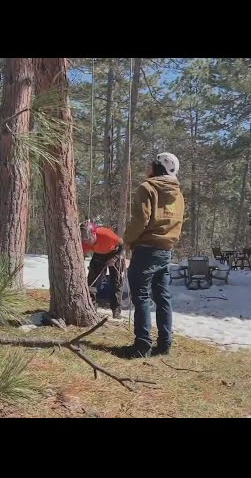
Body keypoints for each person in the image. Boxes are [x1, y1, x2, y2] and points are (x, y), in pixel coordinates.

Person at [123, 152, 184, 358]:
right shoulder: (178, 194)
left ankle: (142, 346)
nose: (147, 167)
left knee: (140, 297)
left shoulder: (147, 188)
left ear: (158, 167)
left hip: (146, 249)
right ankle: (165, 344)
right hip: (166, 250)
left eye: (151, 164)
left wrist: (128, 239)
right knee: (162, 297)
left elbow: (141, 219)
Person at [80, 221, 125, 320]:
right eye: (83, 238)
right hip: (98, 255)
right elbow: (81, 256)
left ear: (94, 233)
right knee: (92, 281)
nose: (86, 241)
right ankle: (92, 307)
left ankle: (116, 310)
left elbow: (122, 245)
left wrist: (114, 259)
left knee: (116, 282)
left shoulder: (106, 234)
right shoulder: (85, 243)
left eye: (87, 238)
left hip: (114, 252)